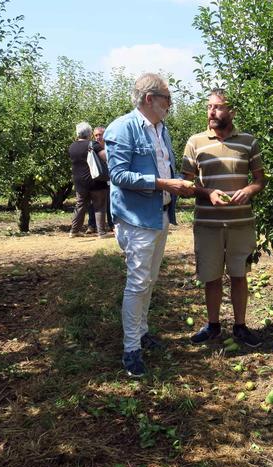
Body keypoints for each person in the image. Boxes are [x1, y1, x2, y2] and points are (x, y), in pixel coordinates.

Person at [105, 73, 195, 377]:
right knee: (138, 282)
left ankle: (141, 332)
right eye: (167, 99)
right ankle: (131, 350)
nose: (170, 105)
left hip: (160, 215)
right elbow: (118, 176)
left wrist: (175, 185)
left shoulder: (161, 129)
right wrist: (162, 183)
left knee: (150, 280)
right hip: (136, 220)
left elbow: (164, 166)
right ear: (150, 99)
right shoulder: (123, 128)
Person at [182, 88, 267, 347]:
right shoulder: (195, 143)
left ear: (231, 111)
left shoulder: (248, 142)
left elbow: (259, 180)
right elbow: (184, 184)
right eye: (209, 106)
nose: (211, 111)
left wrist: (249, 190)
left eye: (217, 107)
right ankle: (213, 326)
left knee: (240, 275)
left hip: (241, 222)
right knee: (211, 276)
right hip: (208, 224)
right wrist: (207, 192)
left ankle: (240, 327)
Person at [68, 122, 108, 238]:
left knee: (80, 205)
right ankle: (101, 232)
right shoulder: (92, 144)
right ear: (89, 133)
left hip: (79, 181)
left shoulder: (72, 146)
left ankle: (74, 231)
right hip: (96, 179)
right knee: (99, 205)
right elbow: (105, 157)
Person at [87, 126, 114, 232]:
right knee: (93, 203)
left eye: (100, 134)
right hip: (97, 179)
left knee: (110, 202)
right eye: (96, 135)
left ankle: (112, 224)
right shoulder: (92, 147)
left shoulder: (110, 146)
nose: (98, 137)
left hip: (110, 178)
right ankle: (91, 225)